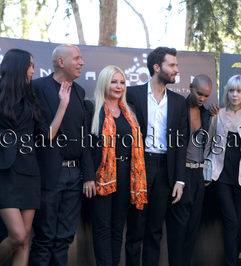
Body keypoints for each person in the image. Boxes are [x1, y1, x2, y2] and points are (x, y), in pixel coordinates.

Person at [0, 49, 70, 266]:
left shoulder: (31, 98)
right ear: (17, 67)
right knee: (18, 236)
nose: (33, 70)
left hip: (29, 173)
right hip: (0, 172)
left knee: (24, 242)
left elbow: (48, 135)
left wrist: (62, 105)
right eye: (30, 66)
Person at [29, 44, 95, 266]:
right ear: (61, 62)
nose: (82, 62)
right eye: (77, 58)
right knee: (44, 238)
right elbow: (36, 135)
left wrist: (88, 176)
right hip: (49, 175)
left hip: (75, 176)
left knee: (64, 239)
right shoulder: (37, 87)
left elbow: (84, 136)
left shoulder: (80, 91)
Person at [125, 47, 187, 266]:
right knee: (135, 227)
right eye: (172, 65)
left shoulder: (179, 102)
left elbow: (181, 143)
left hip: (166, 169)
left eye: (176, 65)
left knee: (154, 230)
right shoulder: (131, 94)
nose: (176, 70)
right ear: (156, 67)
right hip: (140, 167)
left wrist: (179, 179)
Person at [84, 65, 148, 265]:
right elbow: (84, 147)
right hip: (101, 175)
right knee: (103, 229)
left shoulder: (130, 111)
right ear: (104, 83)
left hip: (127, 175)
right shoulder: (91, 108)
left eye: (121, 82)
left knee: (117, 228)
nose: (118, 86)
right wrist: (88, 177)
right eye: (114, 81)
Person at [205, 74, 241, 266]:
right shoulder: (217, 114)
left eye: (239, 91)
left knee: (237, 227)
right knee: (231, 222)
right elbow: (209, 146)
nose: (235, 95)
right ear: (227, 92)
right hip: (221, 178)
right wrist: (206, 171)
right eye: (231, 90)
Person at [165, 74, 213, 266]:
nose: (202, 98)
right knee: (178, 230)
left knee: (193, 230)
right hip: (180, 174)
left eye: (207, 96)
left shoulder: (207, 113)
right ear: (190, 86)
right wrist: (179, 177)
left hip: (199, 176)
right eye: (199, 93)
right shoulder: (177, 108)